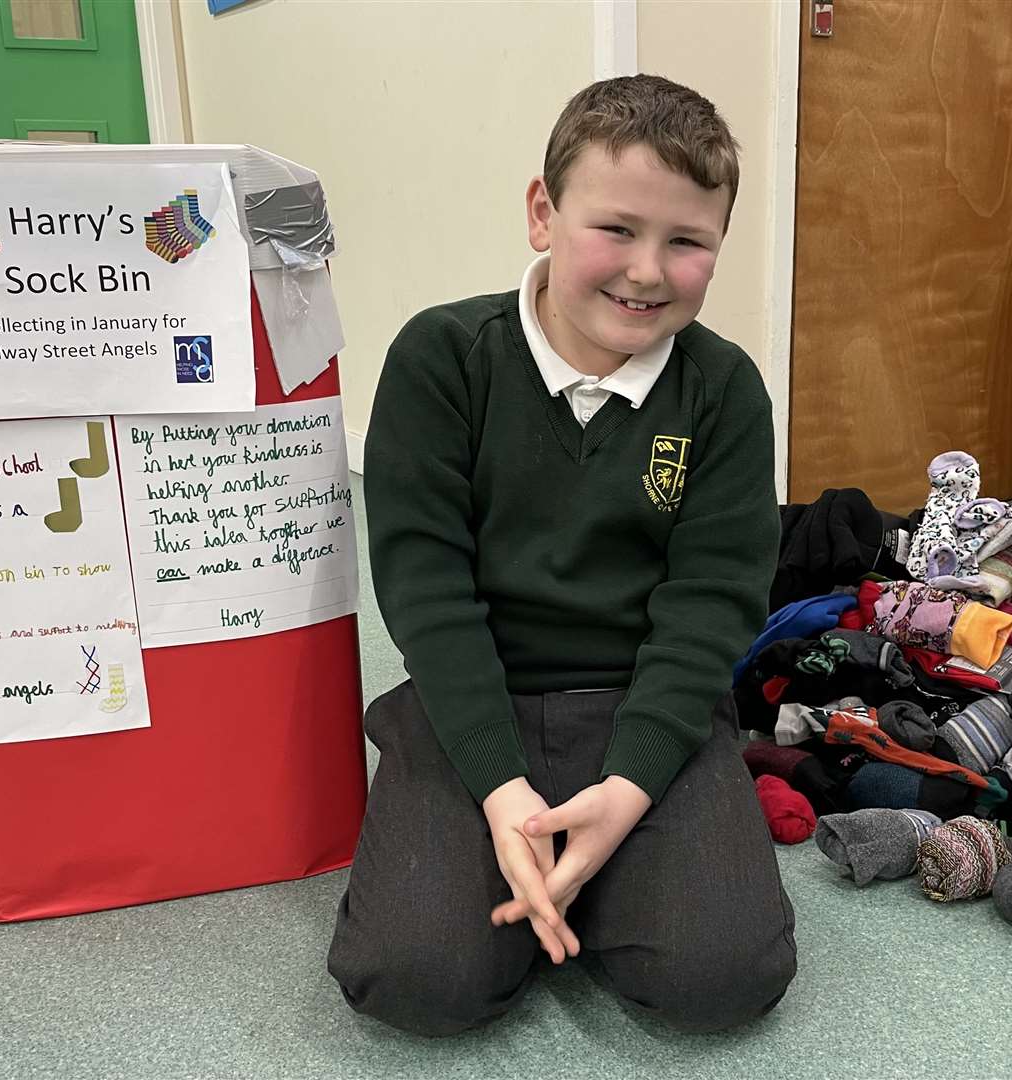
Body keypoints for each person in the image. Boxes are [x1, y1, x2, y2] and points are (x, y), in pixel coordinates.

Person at [327, 74, 793, 1036]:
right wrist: (501, 791)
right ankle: (539, 872)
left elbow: (710, 604)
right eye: (616, 229)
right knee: (414, 982)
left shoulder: (726, 390)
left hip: (645, 706)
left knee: (722, 981)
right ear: (543, 212)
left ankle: (599, 868)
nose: (649, 271)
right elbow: (426, 592)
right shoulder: (441, 356)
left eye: (688, 242)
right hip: (478, 704)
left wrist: (627, 793)